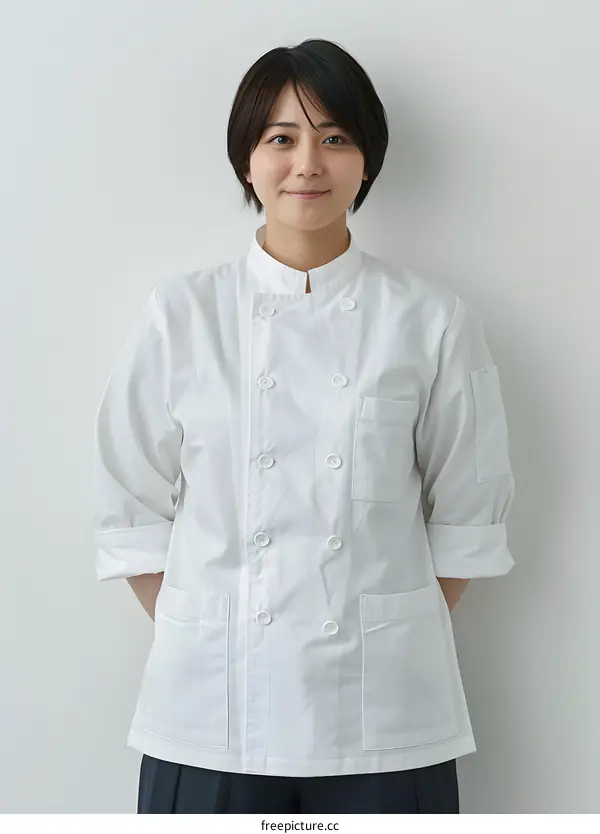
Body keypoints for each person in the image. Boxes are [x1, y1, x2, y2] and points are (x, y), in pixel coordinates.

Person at [92, 38, 516, 814]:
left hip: (384, 717)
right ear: (247, 161)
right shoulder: (182, 316)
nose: (308, 163)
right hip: (213, 713)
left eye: (335, 138)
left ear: (366, 161)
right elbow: (131, 508)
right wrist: (224, 635)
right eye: (281, 138)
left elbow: (464, 517)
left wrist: (372, 639)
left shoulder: (431, 320)